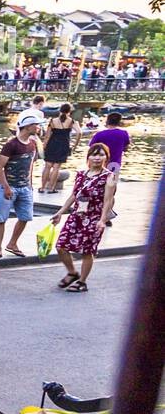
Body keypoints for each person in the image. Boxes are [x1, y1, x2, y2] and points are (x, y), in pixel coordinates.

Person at [49, 143, 116, 293]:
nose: (98, 158)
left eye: (101, 154)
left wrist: (102, 220)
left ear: (106, 157)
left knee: (87, 251)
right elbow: (74, 195)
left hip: (93, 217)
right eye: (94, 154)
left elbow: (108, 200)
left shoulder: (109, 177)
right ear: (89, 157)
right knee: (61, 245)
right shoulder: (81, 174)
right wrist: (60, 212)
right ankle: (72, 272)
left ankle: (82, 282)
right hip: (77, 215)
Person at [0, 112, 43, 259]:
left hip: (25, 187)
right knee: (1, 219)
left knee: (25, 217)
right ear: (27, 126)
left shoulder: (32, 144)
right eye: (36, 125)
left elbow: (30, 165)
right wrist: (6, 187)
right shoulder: (11, 145)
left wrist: (30, 184)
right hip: (9, 186)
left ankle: (12, 243)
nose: (38, 127)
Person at [90, 112, 131, 227]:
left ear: (107, 121)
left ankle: (96, 214)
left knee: (97, 189)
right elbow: (126, 147)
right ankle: (107, 216)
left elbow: (92, 149)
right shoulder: (123, 134)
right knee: (111, 192)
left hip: (99, 165)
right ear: (119, 122)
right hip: (114, 165)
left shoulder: (99, 135)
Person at [39, 104, 78, 194]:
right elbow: (79, 132)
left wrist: (44, 146)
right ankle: (51, 188)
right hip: (63, 145)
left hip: (52, 144)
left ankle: (42, 187)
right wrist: (75, 145)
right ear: (69, 111)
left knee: (47, 167)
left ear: (60, 110)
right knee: (56, 168)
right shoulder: (71, 121)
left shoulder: (53, 121)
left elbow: (47, 136)